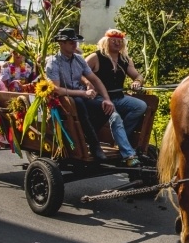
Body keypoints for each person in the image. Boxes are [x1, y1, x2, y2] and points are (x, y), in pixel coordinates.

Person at [44, 28, 115, 162]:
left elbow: (95, 79)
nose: (74, 44)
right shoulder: (53, 62)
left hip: (79, 95)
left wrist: (107, 99)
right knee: (79, 102)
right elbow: (57, 90)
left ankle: (85, 134)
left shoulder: (79, 59)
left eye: (75, 42)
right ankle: (94, 145)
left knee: (106, 107)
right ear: (61, 43)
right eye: (71, 42)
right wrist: (83, 93)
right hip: (63, 99)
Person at [85, 29, 148, 167]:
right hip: (100, 99)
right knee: (115, 117)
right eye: (113, 40)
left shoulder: (125, 59)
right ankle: (129, 155)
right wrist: (88, 84)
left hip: (119, 98)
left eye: (120, 41)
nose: (117, 43)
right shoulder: (95, 57)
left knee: (140, 106)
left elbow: (138, 76)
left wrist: (137, 82)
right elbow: (80, 72)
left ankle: (121, 138)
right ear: (106, 41)